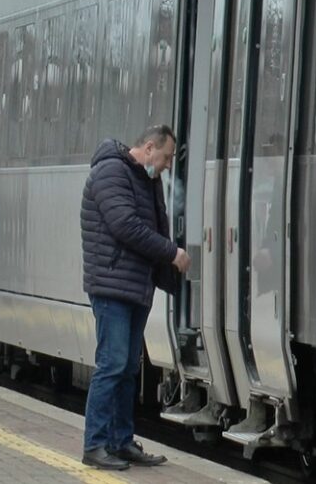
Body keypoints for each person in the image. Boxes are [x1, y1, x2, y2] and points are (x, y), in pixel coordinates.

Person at [80, 125, 191, 470]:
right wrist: (171, 253)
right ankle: (95, 445)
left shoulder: (146, 179)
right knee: (111, 365)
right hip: (112, 285)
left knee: (128, 368)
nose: (168, 165)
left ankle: (121, 442)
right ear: (148, 148)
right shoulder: (110, 172)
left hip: (134, 285)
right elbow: (125, 225)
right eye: (167, 157)